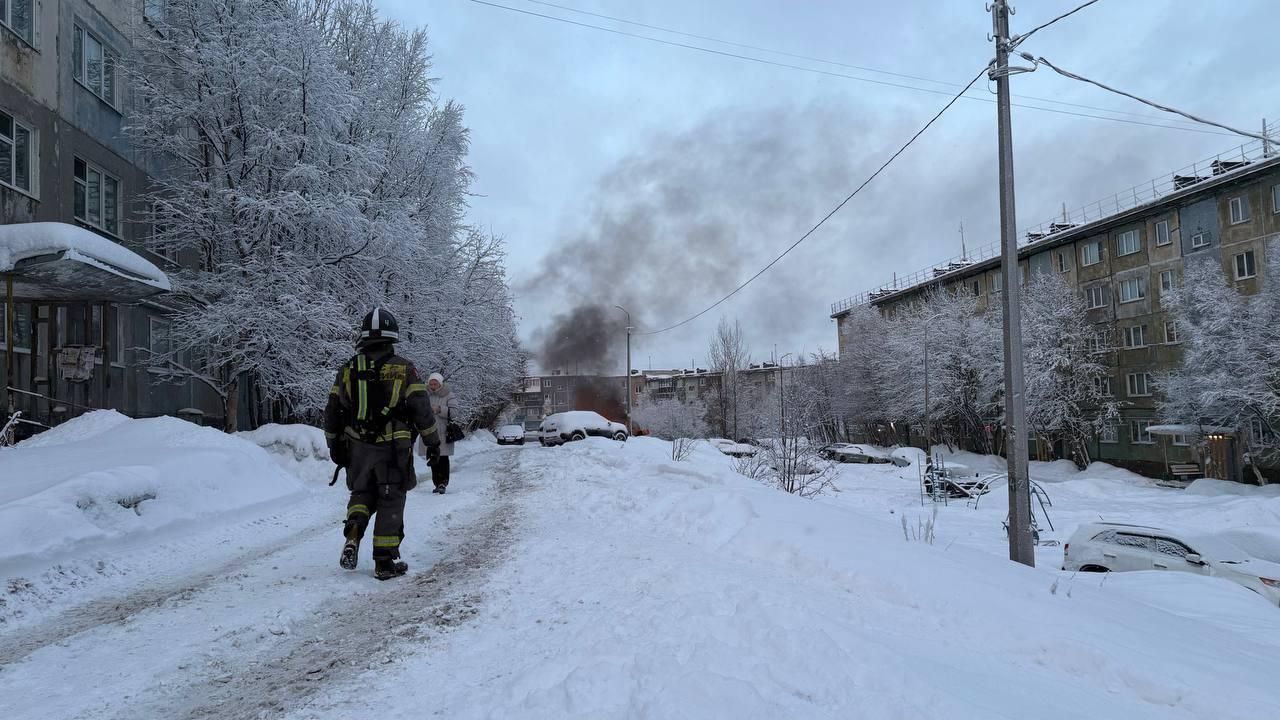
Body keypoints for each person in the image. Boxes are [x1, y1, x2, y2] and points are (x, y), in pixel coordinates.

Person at [324, 307, 441, 580]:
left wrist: (334, 444)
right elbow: (421, 409)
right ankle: (384, 562)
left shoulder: (348, 369)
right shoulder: (404, 368)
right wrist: (433, 442)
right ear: (392, 337)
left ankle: (354, 529)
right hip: (393, 450)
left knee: (362, 493)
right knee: (390, 498)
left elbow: (332, 410)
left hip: (358, 449)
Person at [421, 372, 459, 494]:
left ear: (440, 384)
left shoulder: (448, 394)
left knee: (442, 457)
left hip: (442, 431)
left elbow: (454, 412)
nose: (432, 386)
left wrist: (439, 409)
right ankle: (437, 483)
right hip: (428, 431)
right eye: (431, 384)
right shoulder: (424, 394)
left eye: (435, 384)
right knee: (433, 458)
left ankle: (443, 483)